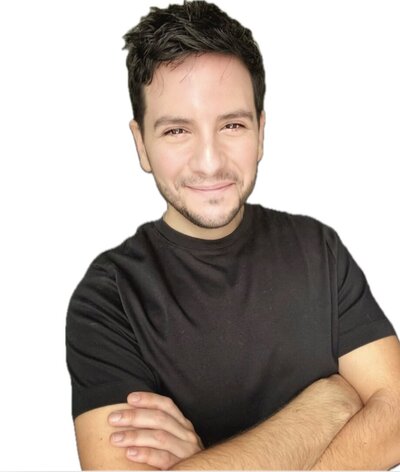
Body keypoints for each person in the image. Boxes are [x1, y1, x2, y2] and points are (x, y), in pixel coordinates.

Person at [66, 1, 400, 469]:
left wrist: (210, 461)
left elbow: (397, 417)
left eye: (233, 125)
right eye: (177, 130)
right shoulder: (109, 297)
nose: (209, 161)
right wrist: (323, 406)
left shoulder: (317, 250)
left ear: (261, 131)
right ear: (141, 143)